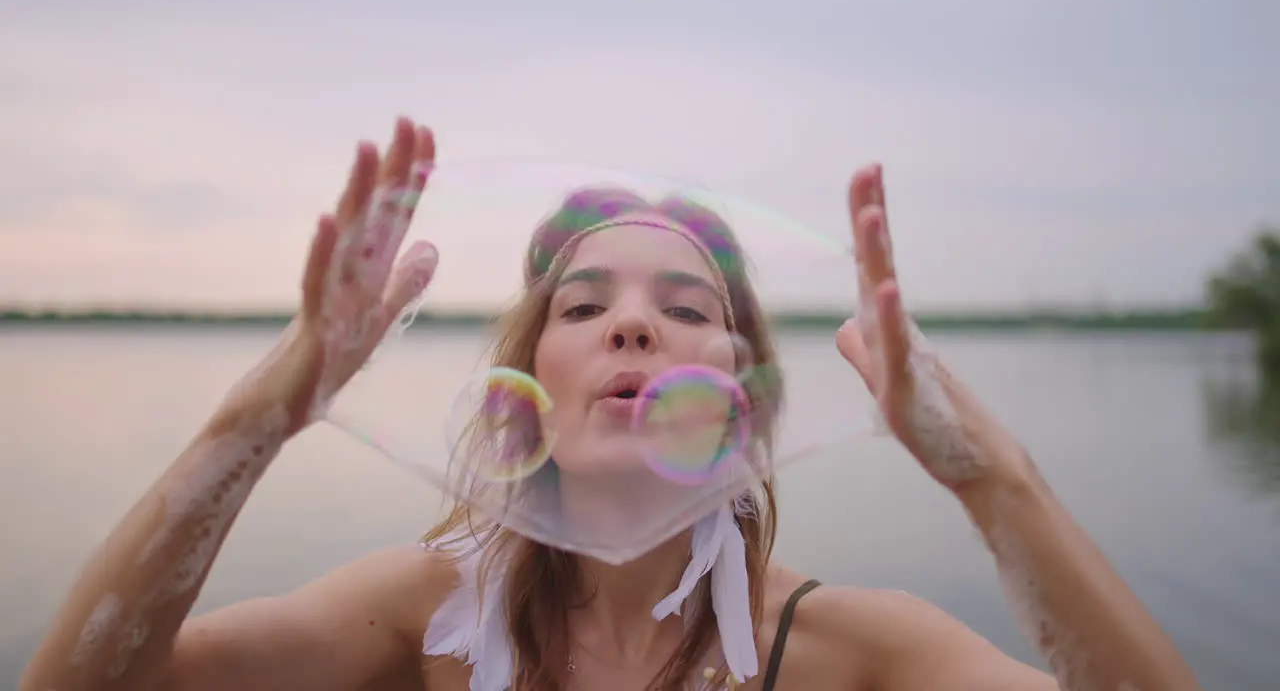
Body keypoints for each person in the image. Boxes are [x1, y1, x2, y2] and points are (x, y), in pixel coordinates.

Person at [20, 117, 1202, 691]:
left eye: (686, 309)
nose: (632, 323)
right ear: (520, 397)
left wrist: (992, 481)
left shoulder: (851, 648)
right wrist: (254, 422)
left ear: (745, 400)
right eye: (582, 308)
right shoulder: (420, 610)